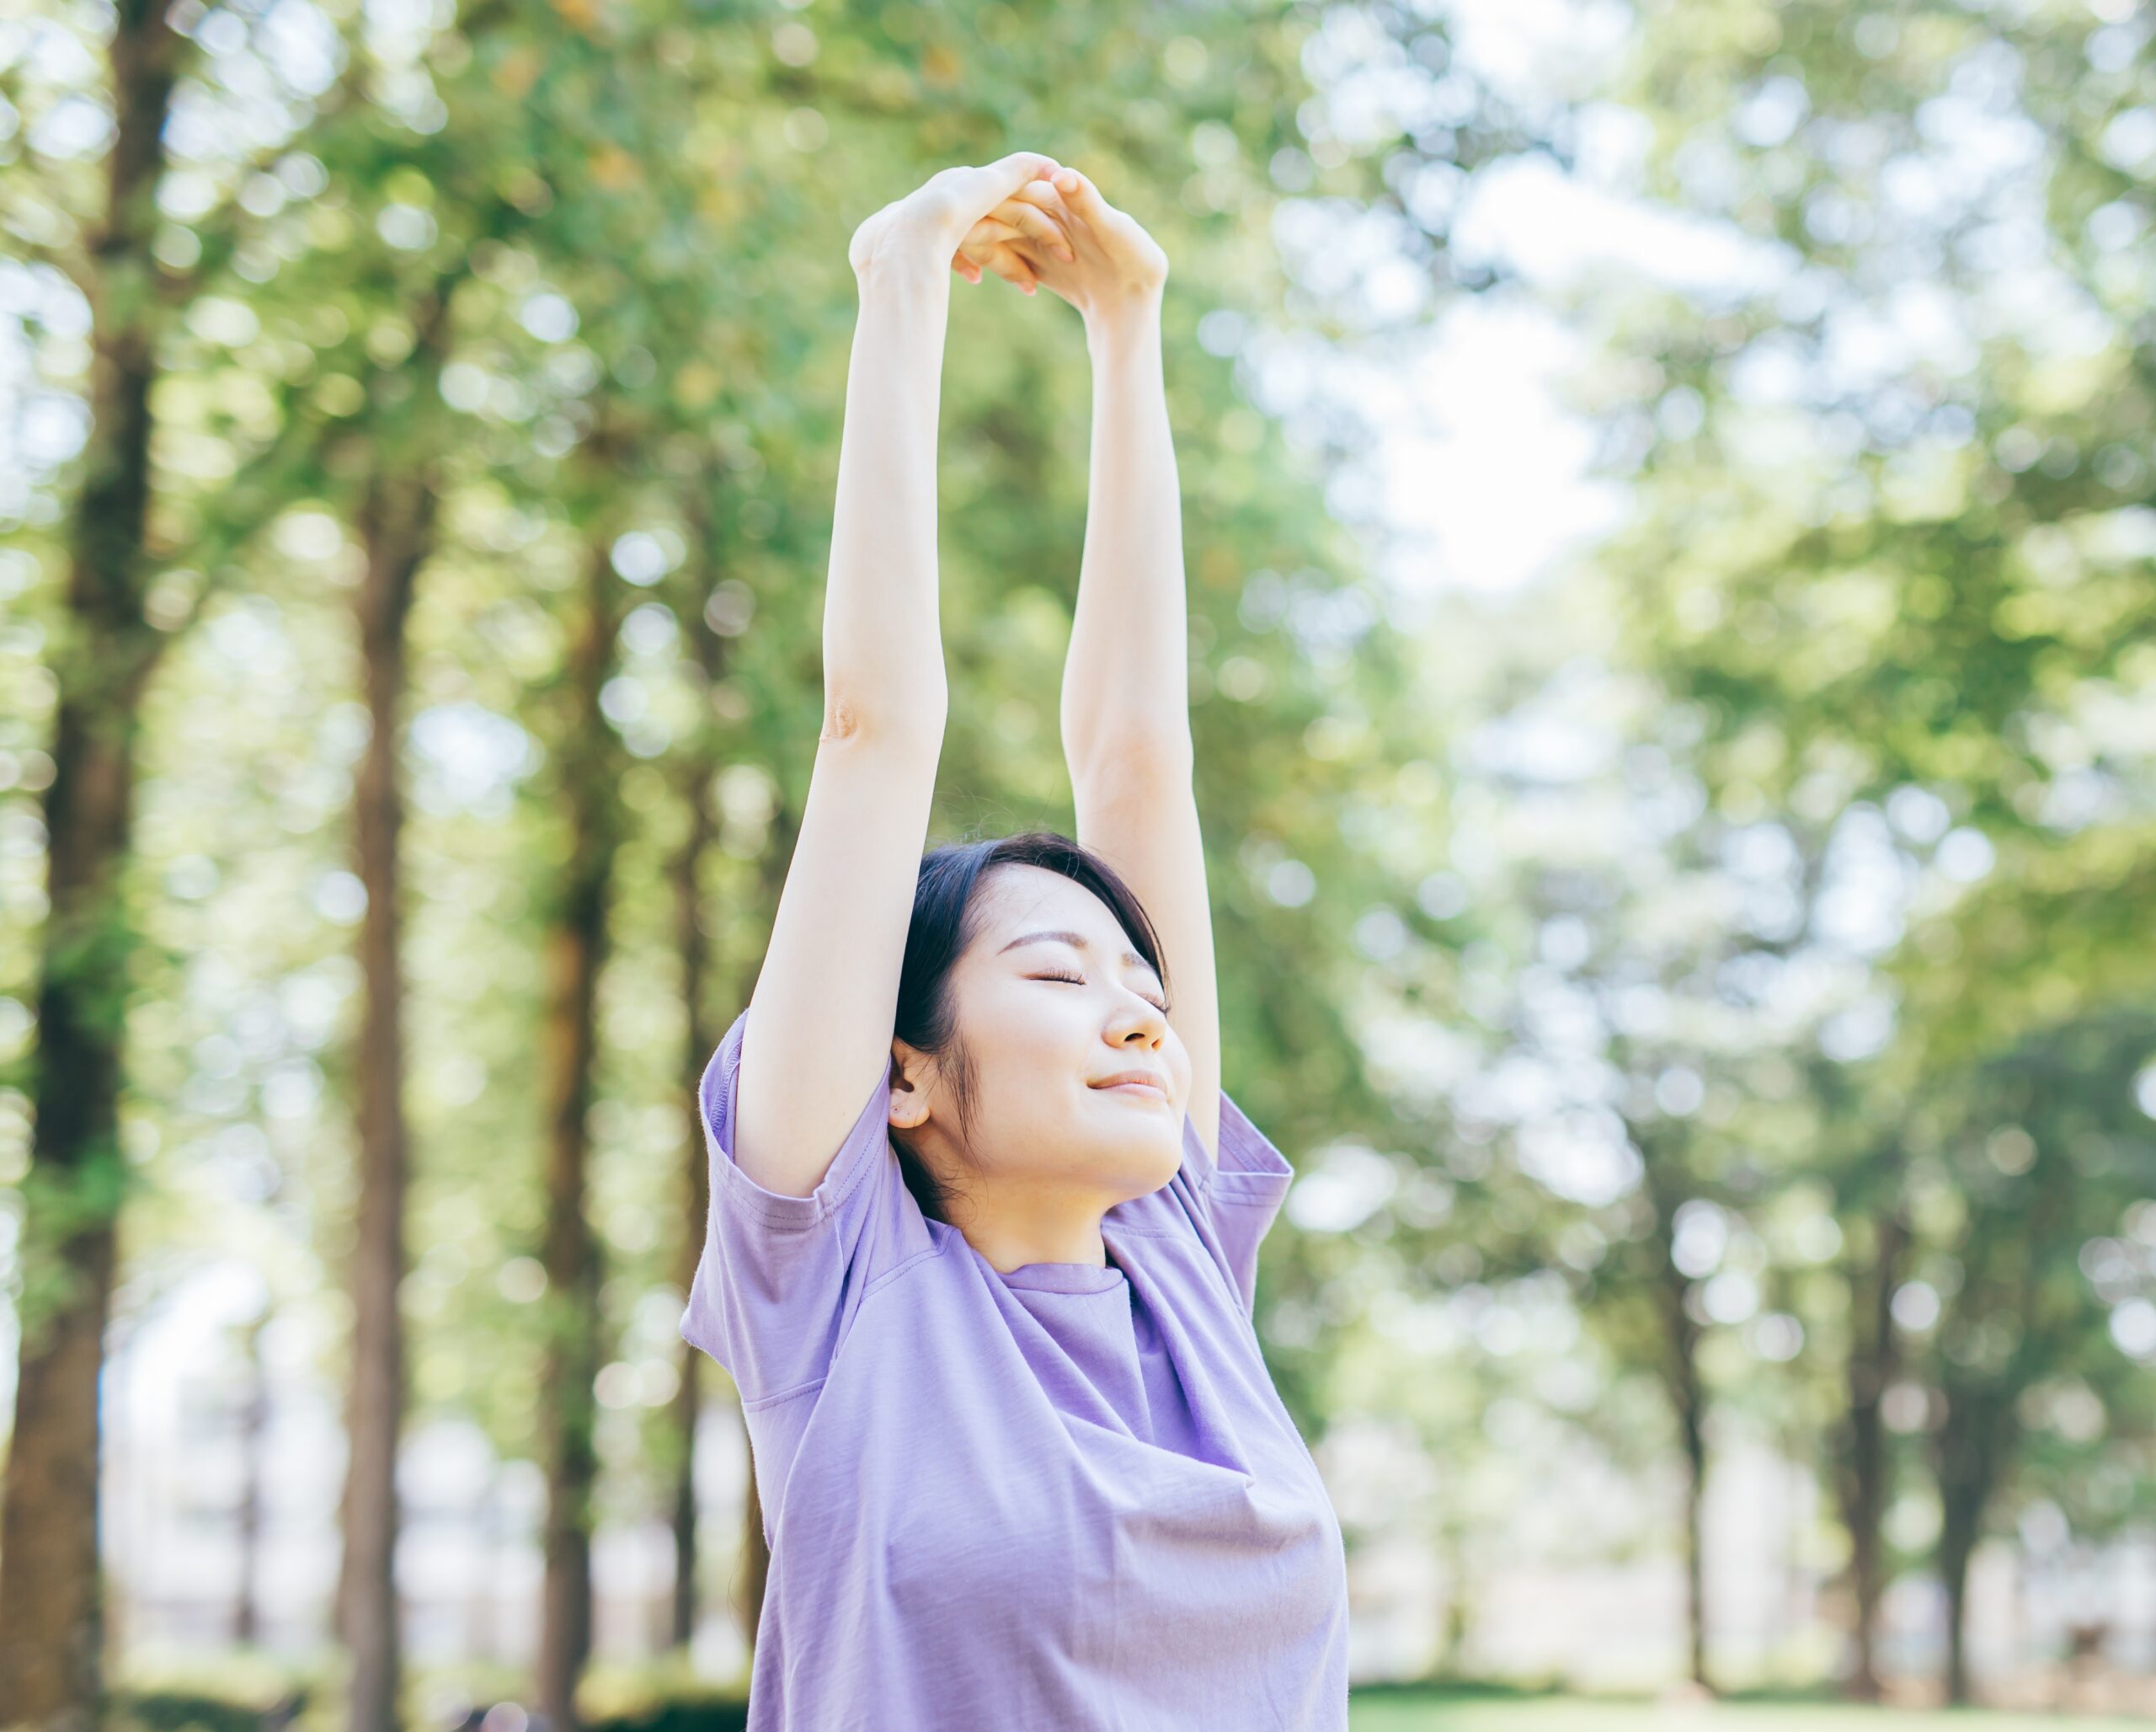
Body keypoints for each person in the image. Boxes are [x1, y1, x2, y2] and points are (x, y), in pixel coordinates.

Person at [679, 151, 1349, 1730]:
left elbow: (1138, 761)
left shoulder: (1181, 1262)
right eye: (1059, 975)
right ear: (901, 1078)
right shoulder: (841, 1291)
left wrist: (1131, 329)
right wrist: (901, 279)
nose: (1139, 1017)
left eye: (1142, 988)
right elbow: (873, 731)